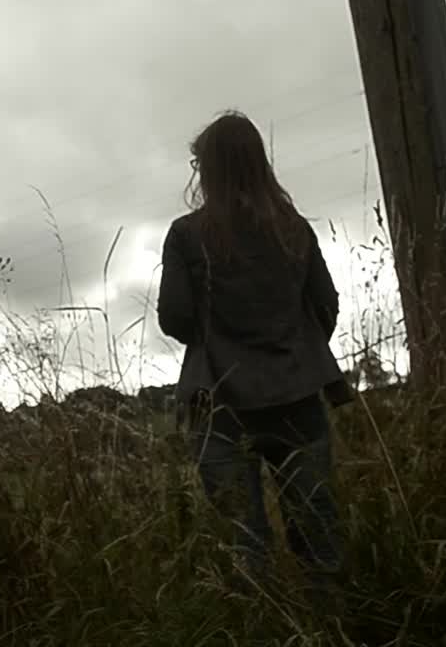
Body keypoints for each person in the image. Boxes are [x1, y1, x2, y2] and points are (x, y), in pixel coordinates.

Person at [156, 110, 349, 594]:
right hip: (298, 397)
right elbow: (325, 305)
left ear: (210, 170)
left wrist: (214, 334)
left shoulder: (185, 235)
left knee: (244, 545)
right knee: (318, 534)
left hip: (220, 407)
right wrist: (292, 348)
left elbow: (174, 318)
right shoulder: (294, 228)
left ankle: (260, 627)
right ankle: (330, 627)